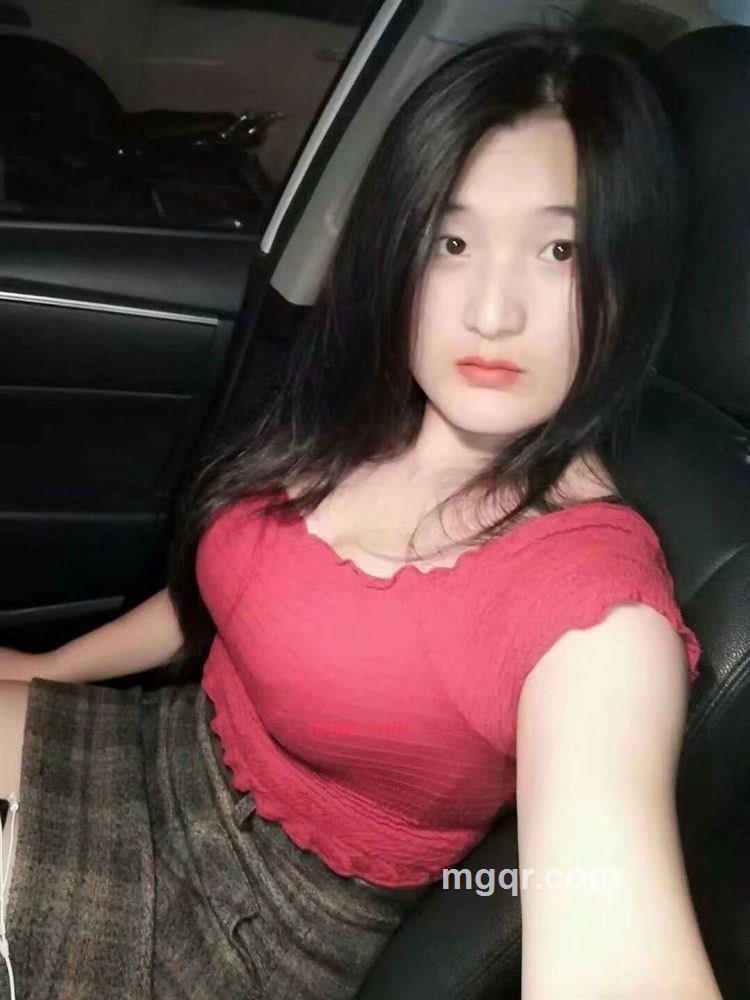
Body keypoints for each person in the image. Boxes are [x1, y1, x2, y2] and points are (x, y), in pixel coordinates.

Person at [0, 23, 723, 1000]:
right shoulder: (367, 417)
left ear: (629, 275)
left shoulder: (592, 610)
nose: (493, 312)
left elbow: (611, 925)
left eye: (561, 249)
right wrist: (52, 668)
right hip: (169, 751)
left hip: (251, 925)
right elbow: (239, 588)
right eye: (452, 242)